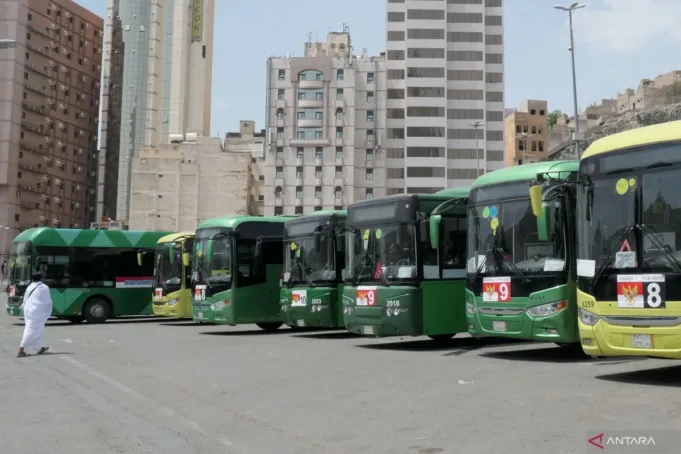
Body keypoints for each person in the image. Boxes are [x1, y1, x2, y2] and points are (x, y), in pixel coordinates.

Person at [16, 270, 52, 358]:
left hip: (29, 311)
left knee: (38, 329)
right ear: (41, 278)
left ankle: (38, 348)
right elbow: (47, 301)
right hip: (36, 312)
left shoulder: (30, 286)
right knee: (30, 329)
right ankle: (21, 349)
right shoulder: (44, 287)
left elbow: (25, 299)